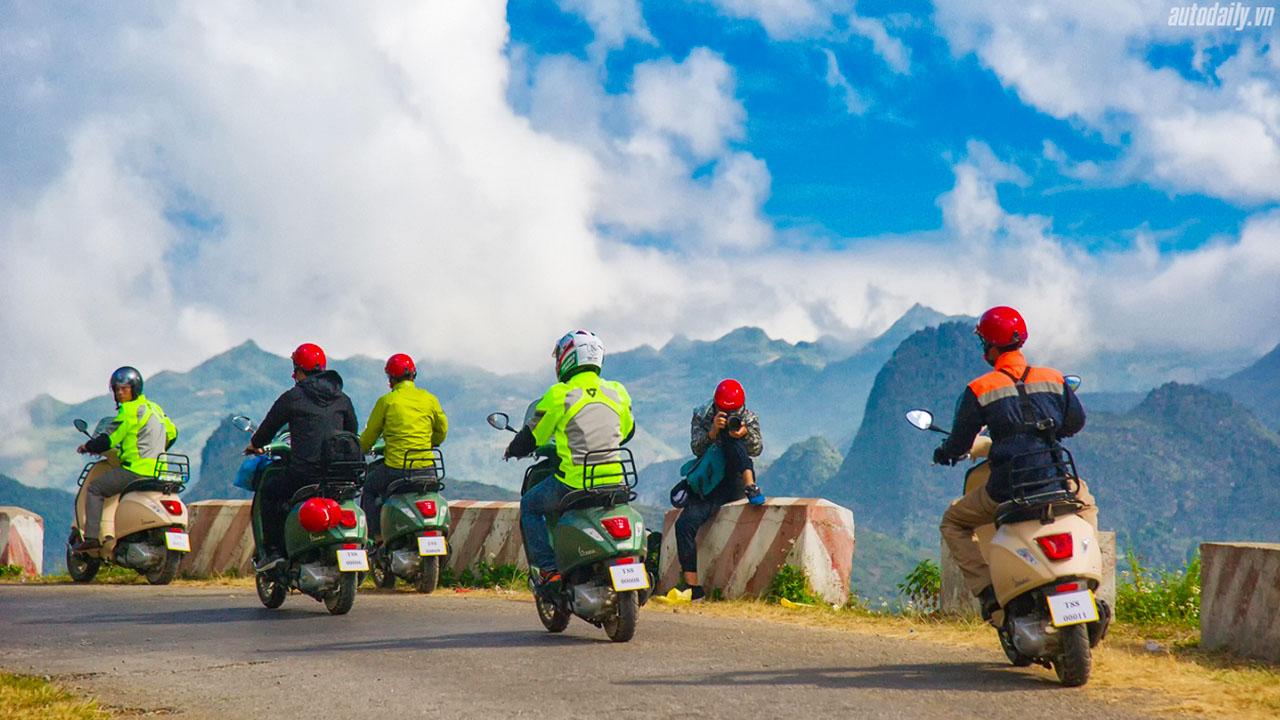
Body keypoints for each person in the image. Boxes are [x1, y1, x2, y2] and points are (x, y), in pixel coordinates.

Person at [934, 306, 1095, 620]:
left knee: (953, 522)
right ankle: (1085, 573)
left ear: (990, 348)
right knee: (1085, 504)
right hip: (1055, 479)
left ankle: (989, 591)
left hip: (1006, 488)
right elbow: (1075, 422)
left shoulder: (980, 389)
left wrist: (945, 453)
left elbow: (959, 443)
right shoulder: (1053, 379)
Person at [504, 330, 634, 592]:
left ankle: (548, 571)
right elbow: (628, 430)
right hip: (616, 480)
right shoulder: (618, 391)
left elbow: (532, 436)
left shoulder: (560, 394)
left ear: (568, 359)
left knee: (530, 505)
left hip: (574, 484)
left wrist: (512, 449)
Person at [246, 343, 358, 569]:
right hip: (339, 474)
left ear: (298, 370)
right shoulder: (342, 398)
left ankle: (274, 552)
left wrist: (255, 445)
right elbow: (352, 432)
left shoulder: (293, 397)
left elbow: (268, 428)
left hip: (305, 473)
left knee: (270, 492)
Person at [674, 378, 764, 601]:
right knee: (684, 524)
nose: (729, 413)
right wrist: (713, 432)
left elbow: (757, 449)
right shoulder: (702, 415)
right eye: (724, 410)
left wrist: (743, 434)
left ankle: (750, 484)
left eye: (733, 410)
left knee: (733, 444)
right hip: (710, 480)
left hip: (734, 480)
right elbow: (696, 448)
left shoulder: (748, 417)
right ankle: (693, 587)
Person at [73, 367, 179, 552]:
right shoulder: (155, 408)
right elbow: (172, 433)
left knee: (95, 489)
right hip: (159, 471)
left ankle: (91, 538)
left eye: (124, 388)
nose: (120, 393)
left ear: (134, 389)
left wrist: (88, 447)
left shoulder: (129, 411)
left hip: (135, 471)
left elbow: (109, 439)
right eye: (117, 389)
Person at [358, 353, 449, 541]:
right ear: (413, 375)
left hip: (397, 469)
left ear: (391, 379)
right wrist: (431, 442)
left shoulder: (387, 402)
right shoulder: (429, 399)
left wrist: (361, 449)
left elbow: (369, 437)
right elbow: (442, 430)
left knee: (369, 489)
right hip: (427, 468)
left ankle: (377, 538)